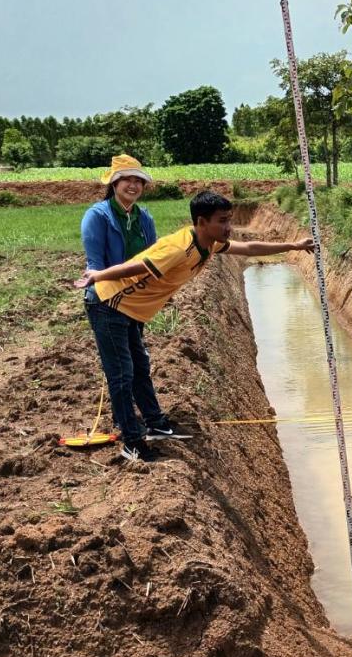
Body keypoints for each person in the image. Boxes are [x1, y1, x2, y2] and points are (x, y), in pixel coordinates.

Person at [76, 190, 315, 463]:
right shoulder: (179, 247)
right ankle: (132, 442)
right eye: (223, 221)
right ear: (202, 222)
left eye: (230, 220)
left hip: (131, 309)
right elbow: (137, 266)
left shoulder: (209, 243)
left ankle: (155, 424)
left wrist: (294, 246)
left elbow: (249, 249)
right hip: (109, 303)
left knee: (139, 365)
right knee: (122, 374)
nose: (229, 227)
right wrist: (97, 276)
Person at [82, 154, 158, 277]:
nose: (133, 186)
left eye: (138, 181)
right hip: (107, 284)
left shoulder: (145, 218)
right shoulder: (97, 216)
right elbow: (96, 266)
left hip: (141, 285)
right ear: (114, 184)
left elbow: (152, 258)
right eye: (127, 179)